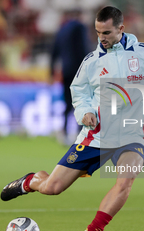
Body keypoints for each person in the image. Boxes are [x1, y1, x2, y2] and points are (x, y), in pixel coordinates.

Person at [1, 6, 144, 231]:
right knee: (53, 188)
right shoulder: (91, 62)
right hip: (97, 136)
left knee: (125, 181)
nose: (101, 37)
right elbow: (78, 91)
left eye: (106, 32)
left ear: (121, 29)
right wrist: (85, 113)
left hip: (134, 135)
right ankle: (29, 182)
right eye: (97, 32)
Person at [50, 9, 91, 144]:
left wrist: (51, 71)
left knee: (68, 103)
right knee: (82, 102)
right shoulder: (80, 27)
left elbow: (54, 51)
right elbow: (83, 49)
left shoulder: (62, 30)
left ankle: (64, 132)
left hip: (66, 71)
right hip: (79, 71)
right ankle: (81, 134)